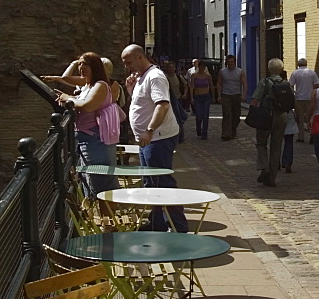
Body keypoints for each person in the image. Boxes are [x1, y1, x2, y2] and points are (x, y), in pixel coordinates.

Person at [121, 44, 188, 232]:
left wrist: (149, 130)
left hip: (157, 138)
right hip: (148, 140)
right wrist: (130, 90)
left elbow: (162, 105)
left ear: (140, 57)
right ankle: (157, 222)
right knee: (150, 182)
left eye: (128, 62)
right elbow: (144, 104)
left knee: (162, 183)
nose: (127, 66)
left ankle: (178, 226)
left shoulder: (155, 76)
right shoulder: (142, 77)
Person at [54, 52, 117, 198]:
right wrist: (70, 98)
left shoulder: (100, 85)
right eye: (80, 64)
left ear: (95, 67)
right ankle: (100, 218)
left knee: (100, 183)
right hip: (85, 138)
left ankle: (106, 219)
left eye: (86, 64)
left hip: (95, 140)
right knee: (89, 180)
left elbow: (87, 106)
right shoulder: (89, 85)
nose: (81, 67)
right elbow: (79, 98)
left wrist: (68, 98)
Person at [250, 57, 291, 187]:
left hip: (266, 115)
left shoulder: (264, 82)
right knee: (276, 146)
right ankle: (272, 178)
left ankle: (264, 167)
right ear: (281, 69)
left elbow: (255, 100)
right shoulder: (286, 83)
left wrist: (252, 115)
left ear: (269, 69)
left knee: (261, 143)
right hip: (282, 116)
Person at [289, 58, 319, 142]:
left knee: (300, 118)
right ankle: (312, 135)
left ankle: (301, 137)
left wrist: (295, 93)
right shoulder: (312, 73)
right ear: (306, 64)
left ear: (298, 64)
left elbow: (291, 85)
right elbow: (317, 84)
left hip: (299, 98)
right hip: (310, 98)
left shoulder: (295, 73)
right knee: (310, 117)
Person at [217, 54, 247, 140]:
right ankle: (226, 133)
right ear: (226, 62)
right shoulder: (222, 72)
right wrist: (219, 95)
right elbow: (219, 83)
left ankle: (233, 132)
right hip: (226, 95)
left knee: (236, 115)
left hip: (236, 95)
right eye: (228, 62)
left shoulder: (240, 72)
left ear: (234, 62)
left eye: (232, 62)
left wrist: (244, 94)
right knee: (227, 113)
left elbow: (244, 83)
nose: (230, 64)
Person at [191, 59, 214, 140]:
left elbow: (211, 86)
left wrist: (213, 96)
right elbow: (192, 86)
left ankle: (204, 133)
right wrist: (191, 97)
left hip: (206, 97)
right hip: (197, 96)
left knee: (205, 115)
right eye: (201, 66)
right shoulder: (194, 75)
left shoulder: (208, 76)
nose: (202, 68)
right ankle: (198, 128)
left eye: (203, 67)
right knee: (199, 115)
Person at [280, 108, 297, 173]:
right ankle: (287, 162)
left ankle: (275, 162)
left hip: (277, 116)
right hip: (289, 116)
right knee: (289, 141)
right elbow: (295, 105)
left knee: (276, 142)